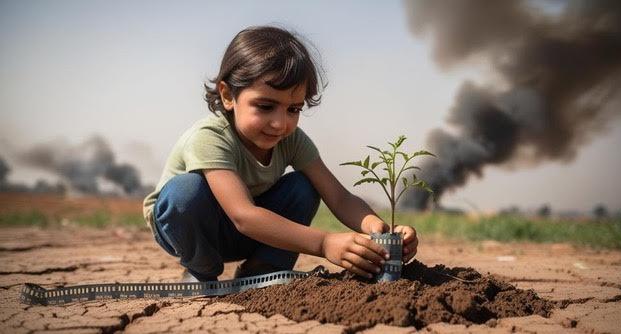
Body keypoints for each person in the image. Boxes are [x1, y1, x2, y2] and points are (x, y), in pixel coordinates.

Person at [142, 26, 418, 282]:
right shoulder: (209, 138)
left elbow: (338, 196)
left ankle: (263, 268)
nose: (280, 123)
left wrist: (378, 230)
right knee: (185, 192)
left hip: (256, 232)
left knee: (304, 185)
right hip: (195, 232)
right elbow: (243, 215)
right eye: (264, 106)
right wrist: (324, 243)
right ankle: (201, 270)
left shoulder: (292, 140)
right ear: (227, 95)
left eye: (293, 109)